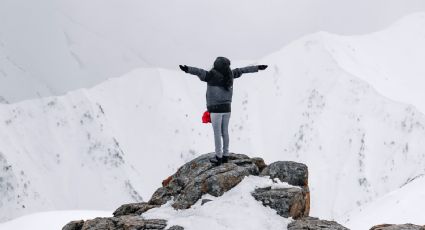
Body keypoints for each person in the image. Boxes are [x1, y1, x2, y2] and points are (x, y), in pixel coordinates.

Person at [179, 57, 268, 165]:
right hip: (227, 109)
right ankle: (225, 155)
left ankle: (218, 157)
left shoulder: (211, 75)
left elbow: (198, 71)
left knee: (217, 133)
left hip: (216, 110)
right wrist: (257, 68)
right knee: (225, 132)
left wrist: (187, 69)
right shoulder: (230, 75)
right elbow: (243, 70)